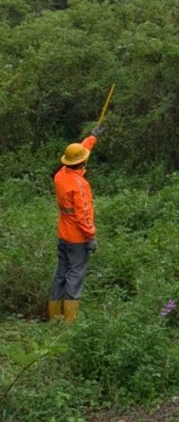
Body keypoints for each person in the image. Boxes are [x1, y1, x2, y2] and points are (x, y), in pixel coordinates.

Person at [48, 127, 103, 322]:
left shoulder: (60, 175)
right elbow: (84, 215)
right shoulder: (80, 185)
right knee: (75, 276)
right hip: (77, 238)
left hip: (63, 235)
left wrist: (92, 138)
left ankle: (54, 317)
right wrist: (91, 236)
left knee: (60, 274)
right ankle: (69, 323)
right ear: (81, 163)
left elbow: (77, 152)